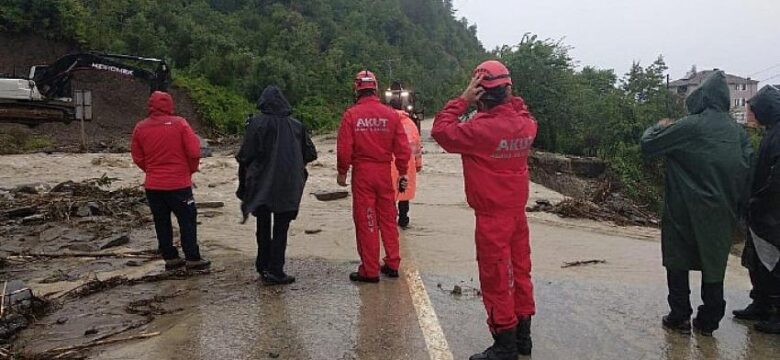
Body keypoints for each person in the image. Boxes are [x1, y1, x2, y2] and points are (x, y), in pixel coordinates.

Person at [432, 60, 538, 360]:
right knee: (521, 273)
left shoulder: (479, 130)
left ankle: (504, 343)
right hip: (517, 214)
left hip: (492, 217)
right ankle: (523, 338)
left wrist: (463, 100)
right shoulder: (526, 125)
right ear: (508, 90)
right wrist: (509, 99)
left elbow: (441, 130)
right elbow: (522, 109)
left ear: (482, 93)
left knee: (496, 277)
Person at [640, 71, 752, 336]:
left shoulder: (690, 126)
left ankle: (679, 316)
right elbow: (747, 169)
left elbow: (648, 146)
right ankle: (709, 320)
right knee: (714, 263)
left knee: (677, 258)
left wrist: (659, 125)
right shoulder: (737, 132)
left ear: (699, 98)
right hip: (721, 210)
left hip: (683, 209)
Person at [236, 85, 318, 286]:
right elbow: (311, 154)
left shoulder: (256, 124)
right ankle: (276, 270)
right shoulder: (296, 126)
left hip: (261, 184)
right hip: (288, 184)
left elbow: (245, 155)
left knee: (262, 224)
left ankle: (263, 265)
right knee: (281, 227)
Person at [337, 70, 411, 283]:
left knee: (367, 220)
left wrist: (342, 172)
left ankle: (369, 270)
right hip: (384, 173)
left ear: (357, 89)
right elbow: (403, 149)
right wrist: (403, 171)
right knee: (388, 218)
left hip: (363, 174)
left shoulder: (351, 115)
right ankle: (393, 263)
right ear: (375, 89)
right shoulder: (391, 115)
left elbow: (344, 149)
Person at [131, 91, 210, 271]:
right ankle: (192, 257)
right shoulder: (180, 124)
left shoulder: (140, 127)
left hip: (153, 185)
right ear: (170, 104)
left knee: (161, 221)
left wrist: (151, 170)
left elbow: (137, 157)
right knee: (187, 220)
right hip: (179, 184)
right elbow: (194, 152)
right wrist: (189, 171)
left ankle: (170, 258)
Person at [734, 85, 780, 334]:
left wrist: (758, 201)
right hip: (761, 212)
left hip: (772, 213)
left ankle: (775, 311)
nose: (750, 115)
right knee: (758, 261)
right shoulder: (771, 132)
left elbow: (777, 179)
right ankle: (761, 303)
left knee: (774, 263)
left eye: (753, 110)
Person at [388, 95, 423, 228]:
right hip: (408, 164)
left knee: (389, 193)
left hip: (389, 164)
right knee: (404, 192)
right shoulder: (410, 124)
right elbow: (416, 145)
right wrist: (418, 163)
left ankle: (389, 220)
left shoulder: (386, 122)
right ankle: (403, 219)